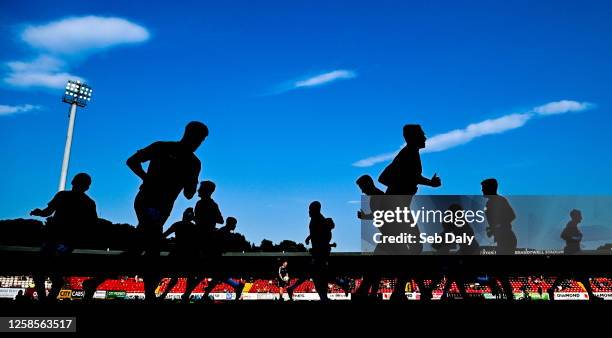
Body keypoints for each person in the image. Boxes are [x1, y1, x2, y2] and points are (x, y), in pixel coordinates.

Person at [84, 121, 208, 301]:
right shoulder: (164, 148)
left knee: (141, 248)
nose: (199, 143)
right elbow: (131, 161)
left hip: (163, 208)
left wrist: (189, 182)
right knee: (152, 248)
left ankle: (95, 282)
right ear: (189, 134)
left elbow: (189, 194)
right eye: (199, 139)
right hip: (148, 201)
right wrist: (148, 179)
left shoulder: (193, 163)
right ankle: (148, 294)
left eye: (201, 140)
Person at [378, 124, 441, 301]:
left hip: (397, 207)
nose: (426, 138)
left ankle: (400, 290)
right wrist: (408, 186)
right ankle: (399, 291)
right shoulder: (408, 154)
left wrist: (407, 185)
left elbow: (388, 177)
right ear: (413, 137)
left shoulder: (408, 154)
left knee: (407, 249)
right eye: (422, 134)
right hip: (397, 208)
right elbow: (388, 178)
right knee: (414, 247)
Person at [30, 173, 97, 302]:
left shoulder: (62, 195)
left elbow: (47, 212)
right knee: (51, 270)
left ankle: (45, 299)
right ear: (87, 187)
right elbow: (92, 224)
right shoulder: (89, 202)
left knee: (40, 270)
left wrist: (39, 213)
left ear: (72, 182)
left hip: (55, 238)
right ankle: (48, 298)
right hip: (68, 241)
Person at [180, 180, 225, 302]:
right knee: (200, 270)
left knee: (195, 270)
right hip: (207, 239)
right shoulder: (212, 204)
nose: (198, 190)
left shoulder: (200, 204)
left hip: (201, 240)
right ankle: (190, 294)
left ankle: (187, 294)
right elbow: (221, 220)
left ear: (207, 190)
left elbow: (216, 220)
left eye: (201, 188)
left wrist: (193, 218)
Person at [481, 178, 516, 301]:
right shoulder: (490, 203)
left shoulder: (499, 201)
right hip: (503, 239)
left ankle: (502, 291)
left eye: (484, 188)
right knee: (501, 273)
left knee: (501, 273)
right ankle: (504, 293)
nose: (482, 190)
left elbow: (512, 216)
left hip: (507, 239)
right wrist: (492, 229)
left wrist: (496, 227)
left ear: (490, 188)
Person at [353, 175, 385, 300]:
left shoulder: (378, 197)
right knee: (375, 267)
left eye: (362, 187)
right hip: (387, 236)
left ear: (369, 184)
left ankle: (365, 291)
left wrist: (365, 216)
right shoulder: (377, 196)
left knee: (373, 266)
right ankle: (369, 292)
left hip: (389, 236)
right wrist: (365, 216)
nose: (362, 191)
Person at [201, 217, 245, 301]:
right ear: (230, 224)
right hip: (217, 258)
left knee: (219, 277)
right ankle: (237, 286)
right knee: (218, 276)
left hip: (218, 258)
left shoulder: (225, 231)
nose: (235, 226)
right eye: (234, 224)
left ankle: (205, 295)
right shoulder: (223, 232)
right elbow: (219, 244)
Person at [158, 208, 198, 301]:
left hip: (177, 253)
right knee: (190, 276)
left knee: (174, 277)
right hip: (188, 254)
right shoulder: (193, 227)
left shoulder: (178, 224)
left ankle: (163, 295)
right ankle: (186, 295)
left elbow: (164, 235)